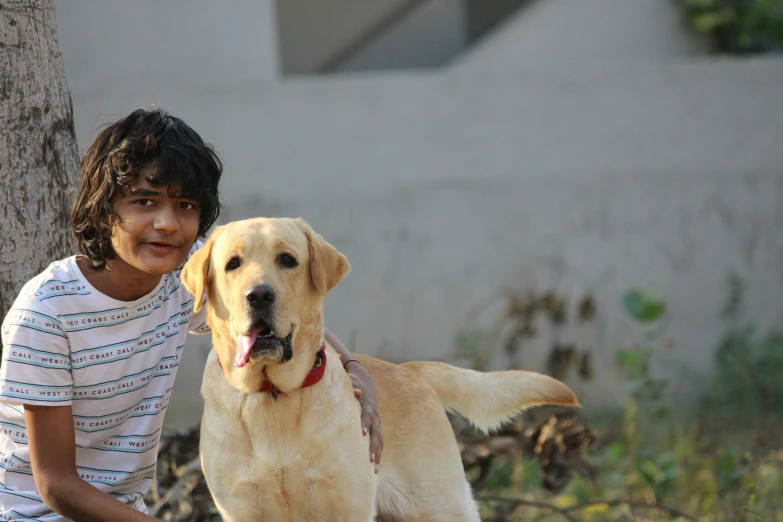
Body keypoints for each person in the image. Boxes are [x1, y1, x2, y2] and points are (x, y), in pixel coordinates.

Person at [0, 108, 383, 521]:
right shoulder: (46, 313)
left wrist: (351, 365)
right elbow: (56, 485)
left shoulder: (184, 278)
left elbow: (276, 315)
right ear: (104, 207)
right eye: (144, 201)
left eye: (185, 205)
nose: (167, 223)